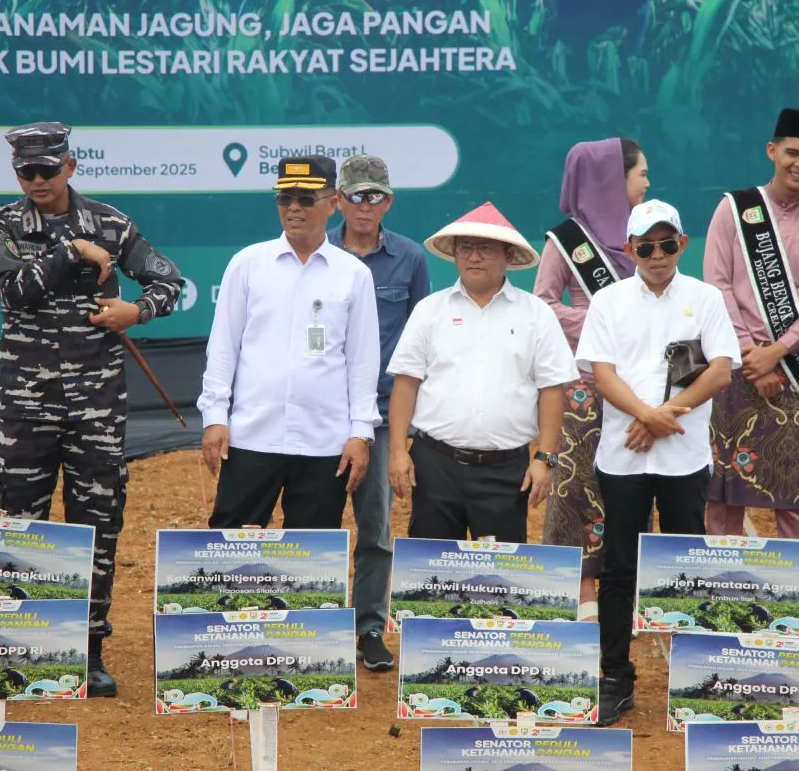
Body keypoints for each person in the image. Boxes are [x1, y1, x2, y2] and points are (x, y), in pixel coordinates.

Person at [0, 123, 184, 698]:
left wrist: (134, 312)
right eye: (26, 172)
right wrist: (71, 251)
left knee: (97, 525)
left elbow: (170, 282)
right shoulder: (0, 224)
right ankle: (18, 644)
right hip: (27, 408)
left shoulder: (110, 224)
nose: (37, 181)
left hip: (98, 407)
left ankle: (87, 650)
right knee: (17, 527)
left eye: (47, 169)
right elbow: (14, 290)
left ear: (69, 166)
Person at [576, 199, 739, 726]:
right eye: (646, 246)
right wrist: (648, 415)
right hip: (622, 457)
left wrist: (662, 416)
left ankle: (695, 685)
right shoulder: (608, 301)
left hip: (683, 457)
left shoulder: (705, 298)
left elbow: (720, 371)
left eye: (667, 243)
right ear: (629, 249)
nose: (658, 254)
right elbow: (602, 374)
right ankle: (615, 679)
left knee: (687, 568)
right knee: (619, 569)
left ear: (682, 245)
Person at [199, 156, 381, 533]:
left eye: (305, 199)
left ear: (333, 203)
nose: (293, 208)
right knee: (231, 543)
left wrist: (360, 432)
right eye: (285, 199)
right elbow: (223, 347)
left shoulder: (354, 275)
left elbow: (362, 361)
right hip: (252, 436)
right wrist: (215, 417)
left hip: (324, 441)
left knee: (312, 551)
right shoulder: (248, 264)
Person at [387, 203, 576, 542]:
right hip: (435, 465)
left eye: (485, 248)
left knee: (501, 570)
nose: (474, 257)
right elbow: (406, 383)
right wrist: (399, 451)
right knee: (431, 566)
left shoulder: (536, 314)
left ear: (508, 255)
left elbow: (551, 390)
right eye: (466, 247)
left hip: (505, 471)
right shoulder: (430, 310)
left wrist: (545, 459)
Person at [704, 108, 799, 540]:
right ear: (772, 151)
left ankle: (798, 577)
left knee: (793, 491)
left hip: (793, 370)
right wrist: (751, 352)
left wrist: (777, 351)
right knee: (722, 492)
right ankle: (718, 576)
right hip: (733, 366)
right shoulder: (734, 209)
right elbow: (717, 284)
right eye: (792, 153)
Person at [534, 137, 650, 622]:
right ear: (610, 180)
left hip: (640, 384)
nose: (647, 183)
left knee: (634, 485)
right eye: (641, 173)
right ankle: (582, 588)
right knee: (577, 484)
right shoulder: (566, 241)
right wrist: (602, 324)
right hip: (585, 387)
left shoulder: (649, 231)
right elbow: (543, 303)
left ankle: (627, 584)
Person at [326, 154, 430, 671]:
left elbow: (421, 341)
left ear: (388, 202)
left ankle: (369, 628)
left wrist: (409, 425)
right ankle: (318, 627)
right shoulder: (318, 255)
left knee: (375, 526)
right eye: (355, 195)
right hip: (323, 414)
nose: (364, 205)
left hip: (383, 415)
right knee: (317, 522)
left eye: (375, 196)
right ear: (337, 200)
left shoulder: (410, 259)